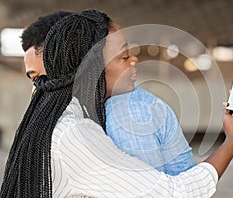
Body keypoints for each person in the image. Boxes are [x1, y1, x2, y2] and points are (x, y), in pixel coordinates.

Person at [0, 9, 233, 197]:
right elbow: (175, 193)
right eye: (124, 55)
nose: (134, 61)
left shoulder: (58, 118)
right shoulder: (77, 132)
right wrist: (232, 141)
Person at [21, 11, 196, 176]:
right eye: (35, 79)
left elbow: (158, 189)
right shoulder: (82, 119)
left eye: (45, 78)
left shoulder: (124, 112)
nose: (38, 89)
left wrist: (224, 149)